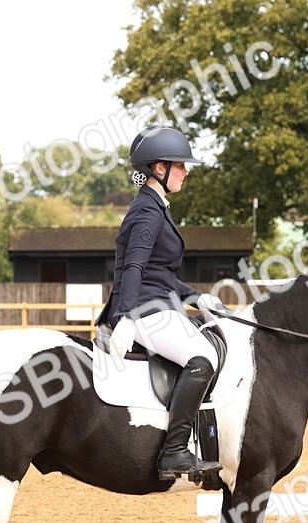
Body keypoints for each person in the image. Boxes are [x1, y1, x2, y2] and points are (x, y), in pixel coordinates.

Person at [95, 125, 228, 485]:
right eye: (180, 165)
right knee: (202, 361)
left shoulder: (155, 207)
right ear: (159, 169)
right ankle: (175, 450)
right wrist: (124, 318)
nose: (187, 171)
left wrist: (195, 296)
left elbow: (160, 274)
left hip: (160, 303)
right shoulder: (147, 212)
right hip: (146, 311)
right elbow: (134, 267)